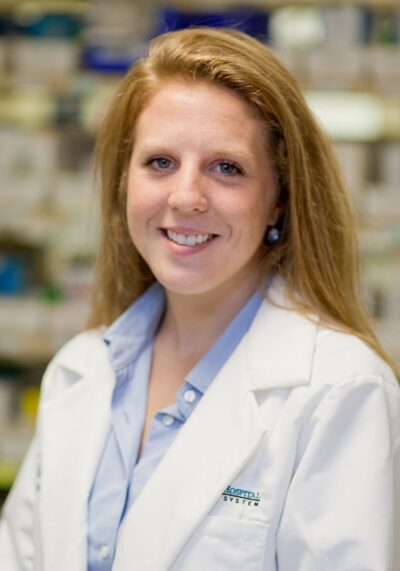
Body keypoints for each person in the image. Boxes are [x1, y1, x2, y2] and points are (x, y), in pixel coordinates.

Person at [0, 27, 399, 571]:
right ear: (124, 183)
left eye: (226, 168)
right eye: (160, 162)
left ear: (279, 200)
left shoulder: (341, 390)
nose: (186, 197)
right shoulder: (80, 369)